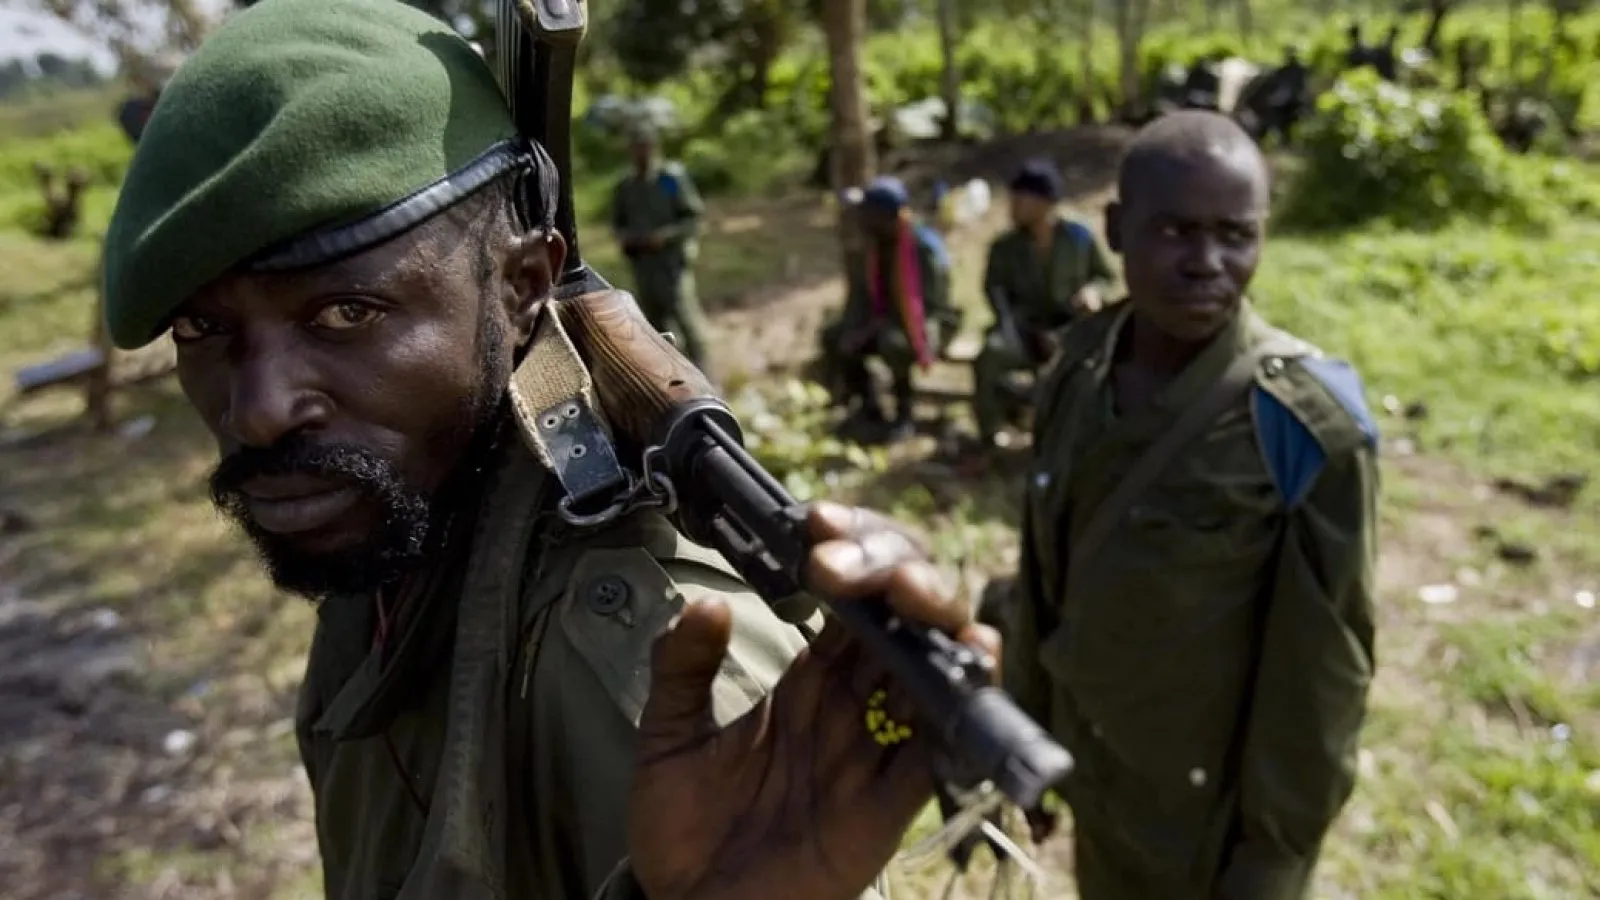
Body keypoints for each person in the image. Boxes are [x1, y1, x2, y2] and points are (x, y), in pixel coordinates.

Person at [100, 2, 995, 898]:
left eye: (346, 313)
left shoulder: (641, 664)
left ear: (523, 285)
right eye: (201, 326)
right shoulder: (394, 536)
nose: (257, 410)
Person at [1003, 111, 1379, 899]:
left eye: (1234, 235)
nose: (1206, 263)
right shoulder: (1078, 375)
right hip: (1100, 777)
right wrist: (1023, 733)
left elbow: (1322, 670)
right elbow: (1045, 574)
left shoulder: (1302, 422)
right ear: (1114, 229)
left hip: (1212, 823)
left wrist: (1273, 858)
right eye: (1174, 231)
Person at [970, 159, 1113, 452]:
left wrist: (1092, 292)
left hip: (1074, 328)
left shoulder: (1078, 237)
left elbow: (1107, 278)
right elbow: (994, 292)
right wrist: (1023, 327)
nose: (1012, 206)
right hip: (1024, 329)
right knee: (992, 355)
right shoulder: (1005, 247)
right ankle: (992, 431)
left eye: (1019, 199)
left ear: (1043, 203)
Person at [819, 175, 958, 442]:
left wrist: (876, 328)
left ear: (886, 216)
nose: (861, 219)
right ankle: (869, 408)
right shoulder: (874, 247)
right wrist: (855, 329)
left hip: (927, 325)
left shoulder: (923, 248)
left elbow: (930, 307)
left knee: (892, 342)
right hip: (884, 322)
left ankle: (904, 415)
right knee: (836, 336)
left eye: (868, 213)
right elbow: (864, 298)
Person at [610, 126, 712, 372]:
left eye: (645, 146)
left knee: (685, 317)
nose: (641, 152)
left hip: (671, 264)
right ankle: (669, 376)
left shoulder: (670, 180)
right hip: (643, 265)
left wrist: (665, 236)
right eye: (636, 147)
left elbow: (693, 220)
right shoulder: (626, 186)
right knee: (654, 325)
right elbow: (617, 225)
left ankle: (705, 375)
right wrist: (627, 239)